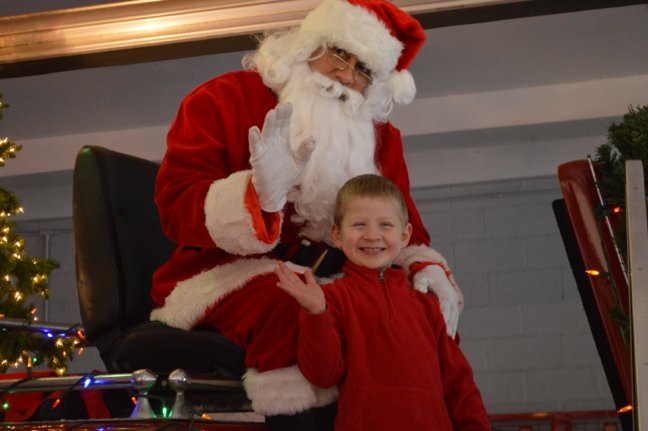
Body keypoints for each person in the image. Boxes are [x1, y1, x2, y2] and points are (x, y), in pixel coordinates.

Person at [150, 0, 464, 428]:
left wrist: (426, 268)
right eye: (339, 54)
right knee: (294, 304)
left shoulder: (381, 138)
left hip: (342, 276)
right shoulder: (221, 98)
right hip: (226, 272)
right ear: (308, 45)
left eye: (363, 70)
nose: (345, 76)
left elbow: (406, 224)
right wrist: (258, 194)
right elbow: (176, 205)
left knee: (417, 311)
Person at [275, 174, 489, 431]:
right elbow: (323, 375)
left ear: (405, 235)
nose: (372, 235)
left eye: (385, 225)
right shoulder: (331, 298)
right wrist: (316, 312)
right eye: (359, 225)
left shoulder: (426, 305)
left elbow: (459, 383)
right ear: (337, 234)